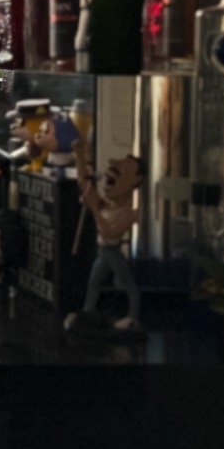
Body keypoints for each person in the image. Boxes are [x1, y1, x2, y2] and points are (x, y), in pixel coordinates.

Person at [65, 132, 145, 339]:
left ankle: (133, 317)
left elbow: (110, 231)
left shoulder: (129, 213)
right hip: (103, 252)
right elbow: (85, 185)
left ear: (136, 181)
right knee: (94, 283)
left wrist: (94, 210)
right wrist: (79, 155)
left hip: (112, 252)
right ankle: (88, 312)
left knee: (128, 285)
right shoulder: (105, 205)